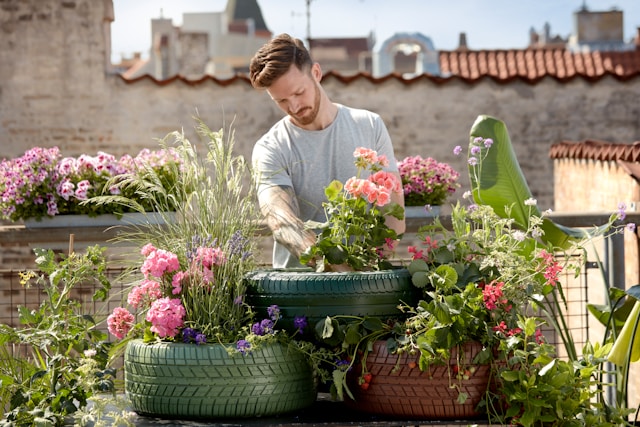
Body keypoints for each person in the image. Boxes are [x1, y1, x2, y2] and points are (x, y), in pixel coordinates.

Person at [249, 33, 405, 269]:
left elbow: (393, 214)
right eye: (281, 101)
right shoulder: (270, 147)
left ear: (316, 73)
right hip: (298, 291)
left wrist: (371, 268)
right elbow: (281, 220)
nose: (293, 106)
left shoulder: (370, 125)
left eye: (299, 92)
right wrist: (336, 270)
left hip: (365, 286)